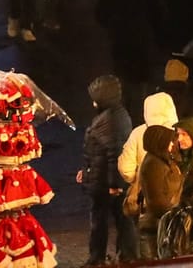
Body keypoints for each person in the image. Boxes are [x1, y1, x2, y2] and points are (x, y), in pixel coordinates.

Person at [80, 75, 133, 265]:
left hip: (104, 182)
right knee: (118, 219)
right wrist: (85, 171)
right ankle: (123, 255)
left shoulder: (110, 119)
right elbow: (98, 151)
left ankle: (101, 258)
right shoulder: (113, 115)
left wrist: (114, 183)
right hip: (102, 178)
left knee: (104, 220)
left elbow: (114, 152)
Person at [131, 124, 184, 255]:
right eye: (169, 141)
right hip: (155, 226)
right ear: (159, 141)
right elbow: (156, 200)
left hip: (163, 223)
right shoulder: (153, 165)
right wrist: (175, 216)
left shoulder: (164, 161)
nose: (172, 144)